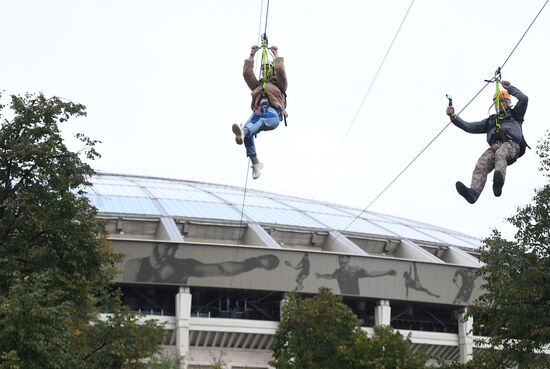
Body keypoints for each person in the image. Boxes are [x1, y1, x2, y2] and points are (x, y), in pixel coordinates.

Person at [446, 80, 528, 204]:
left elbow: (524, 99)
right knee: (481, 163)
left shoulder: (516, 114)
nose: (499, 106)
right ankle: (473, 193)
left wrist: (510, 88)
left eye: (502, 103)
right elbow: (469, 126)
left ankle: (498, 184)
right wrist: (453, 117)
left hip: (512, 145)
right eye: (497, 104)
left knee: (501, 153)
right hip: (495, 147)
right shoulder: (491, 121)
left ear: (507, 103)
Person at [232, 44, 288, 179]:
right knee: (247, 130)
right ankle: (256, 163)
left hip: (272, 114)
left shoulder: (279, 85)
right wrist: (252, 54)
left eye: (268, 68)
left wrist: (276, 55)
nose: (265, 71)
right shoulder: (257, 86)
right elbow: (247, 74)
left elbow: (280, 70)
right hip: (257, 112)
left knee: (257, 122)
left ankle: (244, 132)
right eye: (263, 69)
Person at [123, 242, 280, 284]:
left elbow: (221, 269)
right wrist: (158, 277)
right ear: (155, 245)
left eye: (173, 249)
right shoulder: (135, 265)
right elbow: (128, 295)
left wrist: (253, 263)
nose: (169, 253)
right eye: (166, 247)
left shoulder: (183, 266)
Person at [315, 255, 396, 295]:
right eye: (339, 258)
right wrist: (320, 276)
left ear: (348, 259)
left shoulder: (355, 270)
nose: (340, 259)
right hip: (344, 299)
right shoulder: (338, 271)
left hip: (355, 298)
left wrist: (387, 272)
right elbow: (330, 276)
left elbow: (371, 274)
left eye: (343, 257)